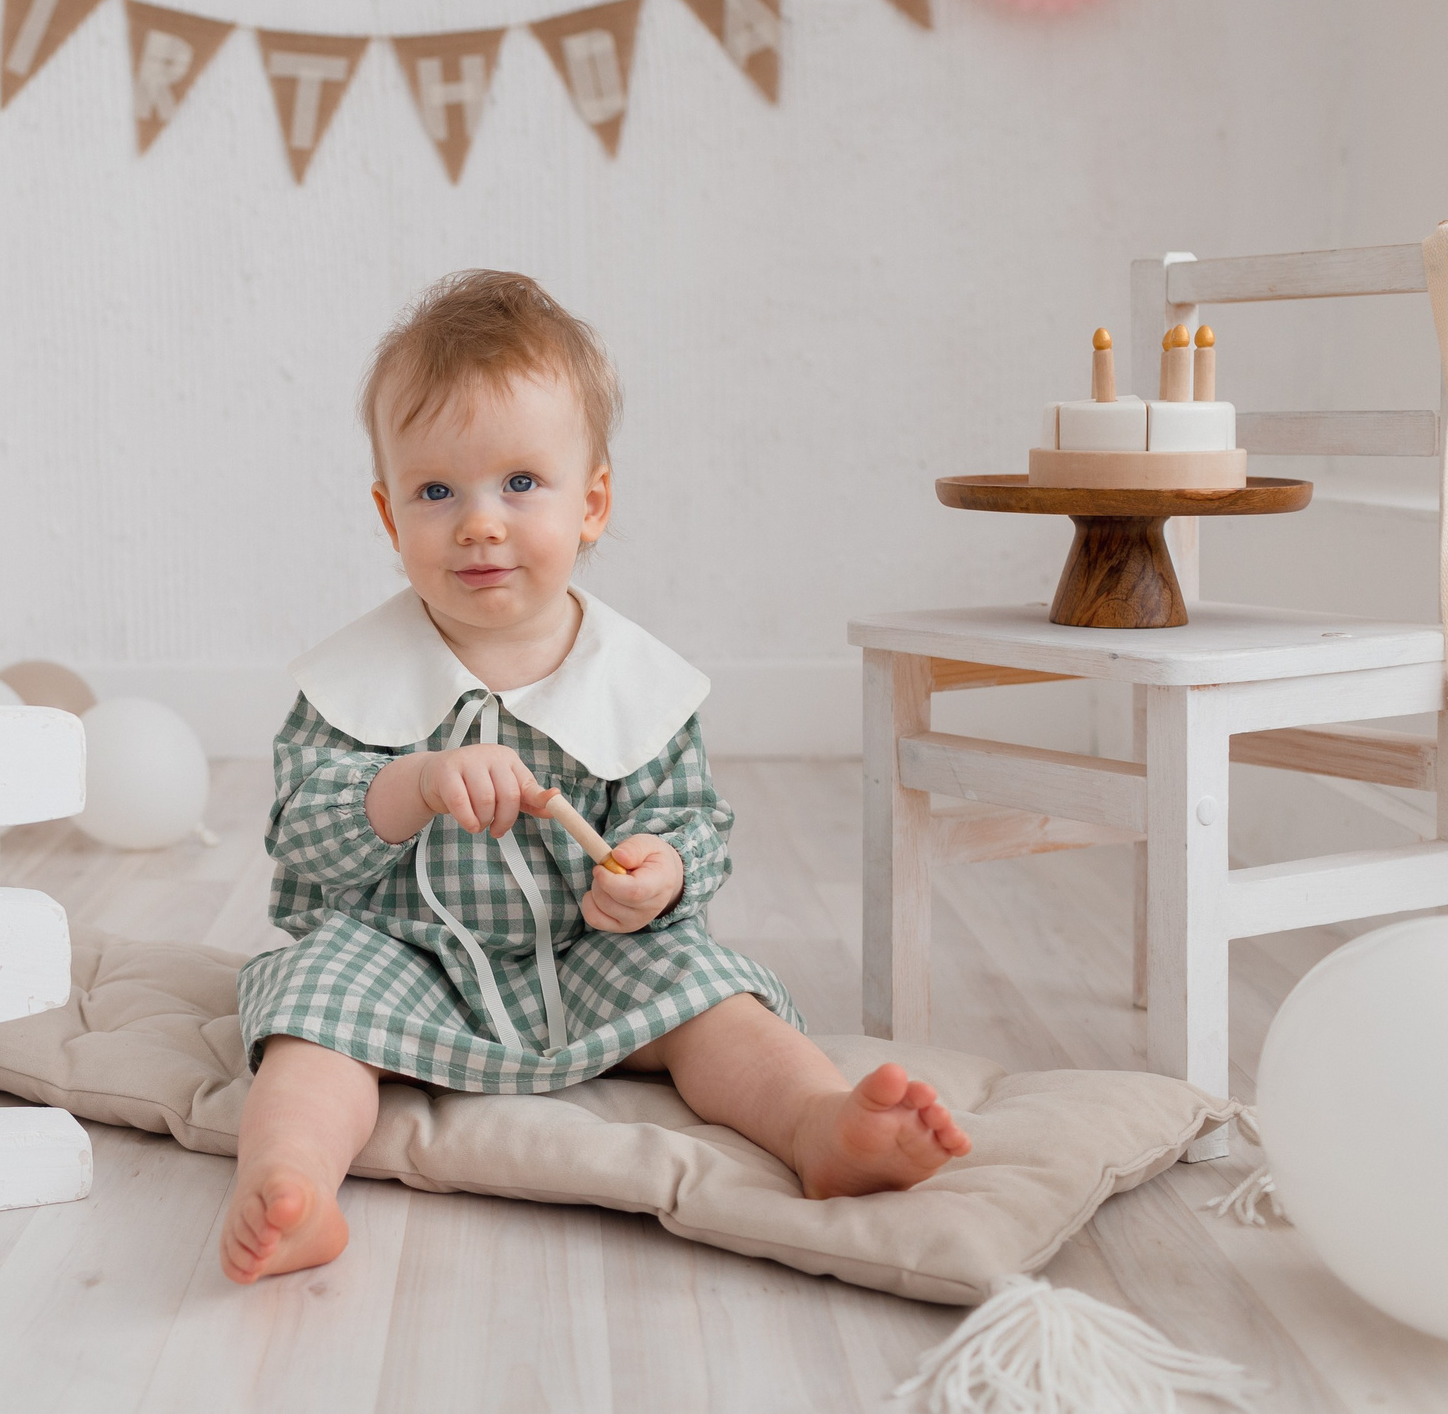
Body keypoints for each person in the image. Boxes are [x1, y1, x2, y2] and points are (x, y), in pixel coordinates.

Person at [223, 269, 971, 1284]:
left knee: (712, 994)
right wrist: (414, 782)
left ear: (593, 503)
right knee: (308, 1016)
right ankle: (292, 1181)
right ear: (389, 517)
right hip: (403, 955)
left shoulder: (638, 682)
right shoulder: (352, 680)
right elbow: (301, 833)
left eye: (520, 484)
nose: (479, 523)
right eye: (437, 492)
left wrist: (659, 869)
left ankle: (818, 1125)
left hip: (586, 955)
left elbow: (692, 820)